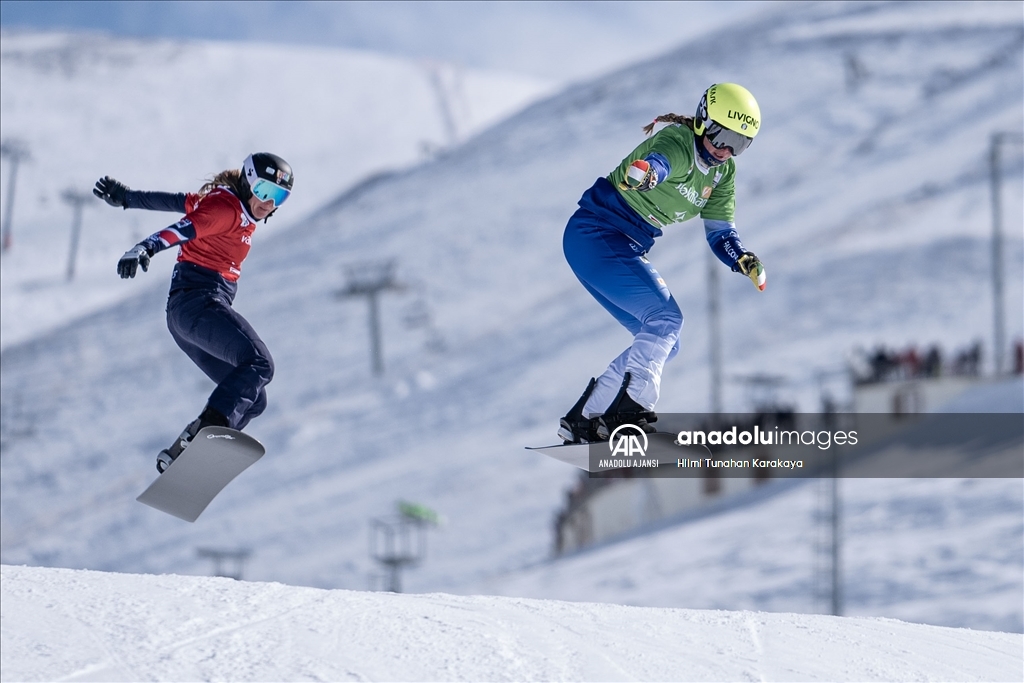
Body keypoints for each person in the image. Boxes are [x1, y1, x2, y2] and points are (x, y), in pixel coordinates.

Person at [558, 83, 765, 443]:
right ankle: (630, 408)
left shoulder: (723, 173)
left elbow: (720, 233)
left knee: (665, 341)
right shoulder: (680, 142)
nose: (725, 149)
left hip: (620, 245)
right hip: (596, 233)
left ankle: (587, 419)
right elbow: (662, 162)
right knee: (666, 321)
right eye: (722, 135)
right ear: (703, 121)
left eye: (740, 144)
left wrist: (742, 258)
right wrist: (649, 173)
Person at [94, 153, 294, 472]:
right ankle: (205, 431)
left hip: (186, 317)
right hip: (199, 303)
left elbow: (178, 201)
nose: (269, 203)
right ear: (248, 181)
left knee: (255, 399)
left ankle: (188, 457)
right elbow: (184, 228)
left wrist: (128, 198)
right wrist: (146, 247)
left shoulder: (226, 205)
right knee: (260, 364)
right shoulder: (225, 210)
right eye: (265, 191)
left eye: (279, 196)